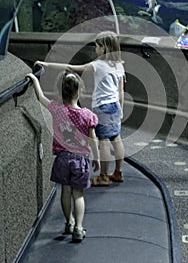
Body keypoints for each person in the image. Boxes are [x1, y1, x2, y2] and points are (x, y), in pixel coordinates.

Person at [35, 31, 125, 186]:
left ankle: (103, 177)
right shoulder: (119, 66)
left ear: (104, 48)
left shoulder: (97, 65)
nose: (95, 49)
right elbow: (121, 91)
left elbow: (72, 67)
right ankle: (118, 172)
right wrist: (121, 109)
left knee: (103, 140)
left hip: (102, 106)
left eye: (97, 46)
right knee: (116, 138)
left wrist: (47, 65)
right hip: (115, 106)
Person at [26, 70, 100, 242]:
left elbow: (41, 97)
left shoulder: (57, 110)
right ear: (80, 91)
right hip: (80, 159)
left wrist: (34, 79)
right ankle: (79, 228)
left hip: (62, 158)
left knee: (65, 192)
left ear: (60, 92)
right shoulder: (88, 116)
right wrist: (96, 157)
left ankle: (69, 222)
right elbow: (93, 139)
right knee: (78, 194)